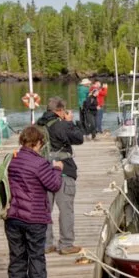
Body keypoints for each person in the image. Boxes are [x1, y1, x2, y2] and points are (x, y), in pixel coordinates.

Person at [4, 125, 63, 278]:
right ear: (38, 143)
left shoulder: (12, 160)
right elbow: (53, 185)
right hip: (34, 218)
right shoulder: (40, 164)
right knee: (36, 260)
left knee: (17, 260)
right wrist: (57, 169)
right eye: (40, 144)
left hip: (13, 217)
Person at [37, 96, 84, 256]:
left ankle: (46, 244)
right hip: (63, 171)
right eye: (64, 110)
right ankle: (66, 244)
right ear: (59, 110)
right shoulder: (62, 125)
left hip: (43, 171)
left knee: (44, 210)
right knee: (66, 210)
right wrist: (70, 122)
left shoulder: (38, 126)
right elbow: (79, 138)